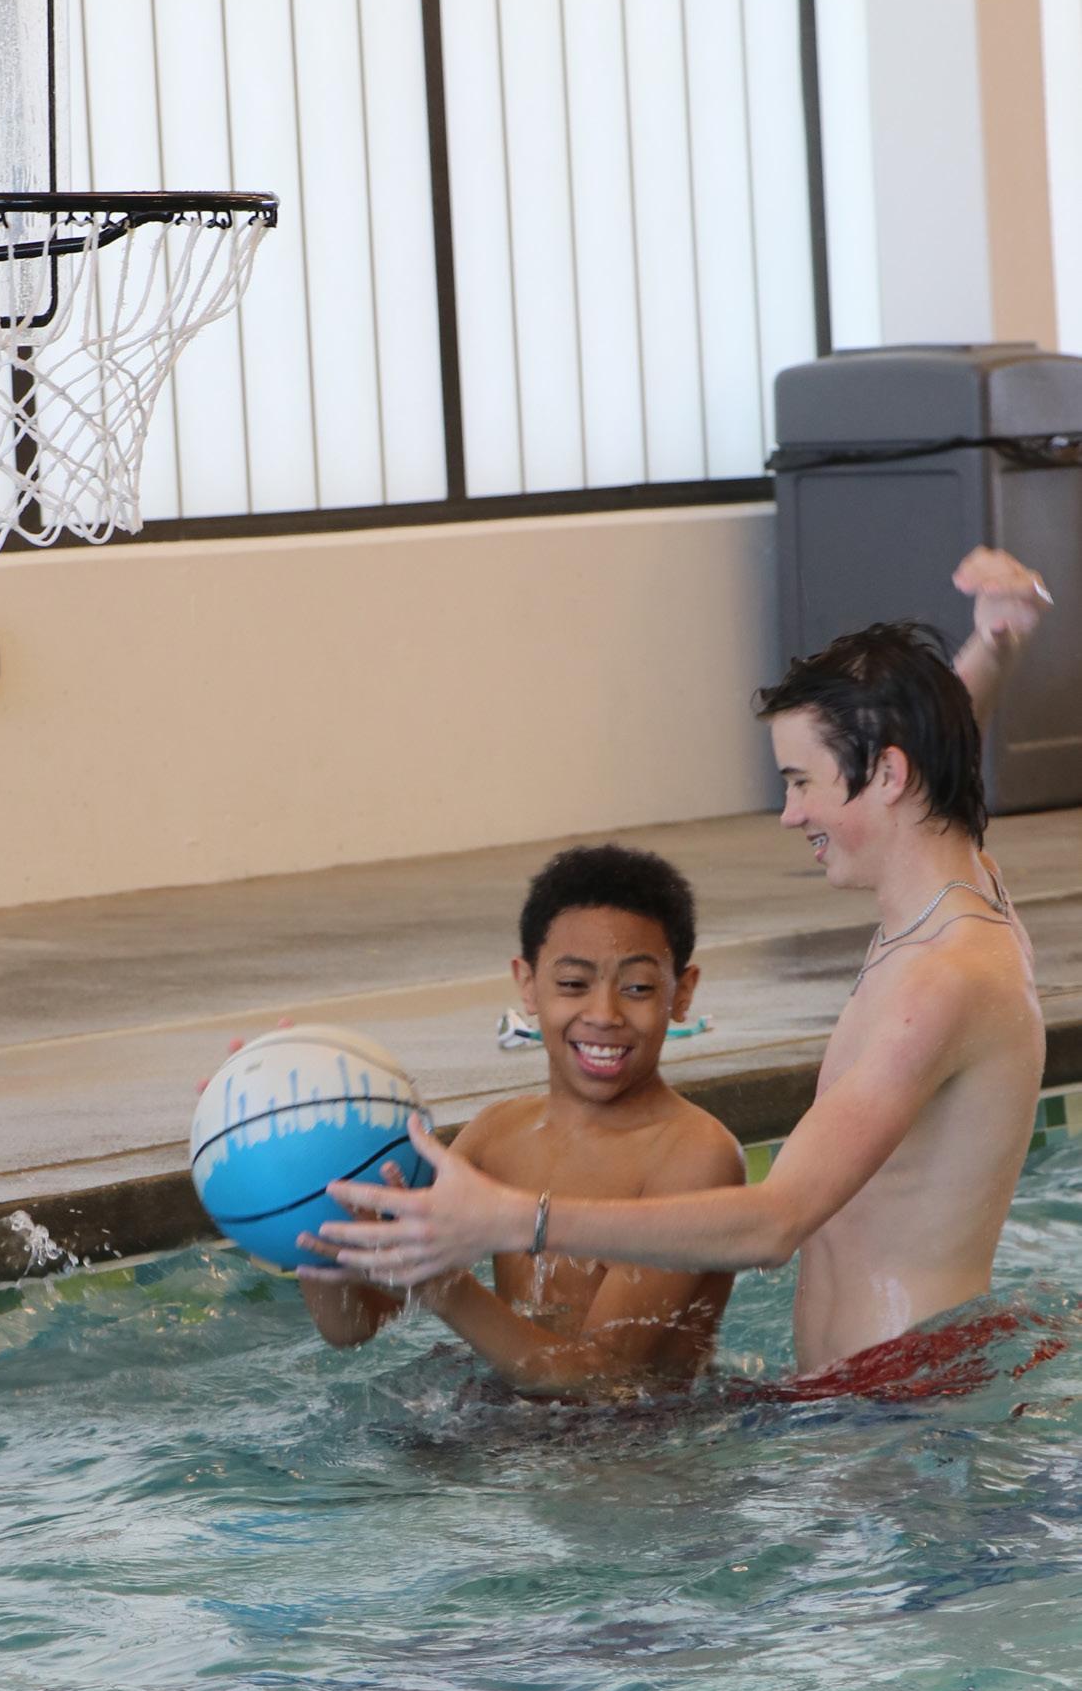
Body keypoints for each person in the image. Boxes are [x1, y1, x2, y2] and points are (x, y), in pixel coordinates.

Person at [314, 550, 1054, 1393]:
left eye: (802, 781)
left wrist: (515, 1219)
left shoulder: (942, 980)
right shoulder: (961, 898)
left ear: (886, 775)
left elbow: (774, 1223)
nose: (790, 813)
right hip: (877, 1392)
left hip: (903, 1410)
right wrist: (995, 645)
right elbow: (934, 756)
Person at [298, 840, 746, 1394]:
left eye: (637, 988)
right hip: (510, 1426)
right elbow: (353, 1326)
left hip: (644, 1440)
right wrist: (310, 1211)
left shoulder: (694, 1156)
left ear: (682, 993)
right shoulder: (497, 1135)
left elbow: (605, 1375)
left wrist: (444, 1288)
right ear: (528, 985)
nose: (604, 1014)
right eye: (573, 984)